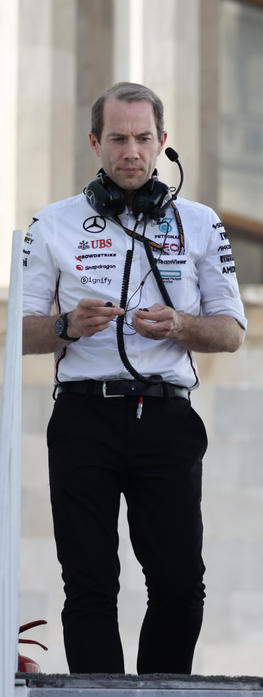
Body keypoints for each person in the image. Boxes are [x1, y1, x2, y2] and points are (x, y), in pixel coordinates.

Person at [22, 82, 246, 674]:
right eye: (117, 139)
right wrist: (67, 325)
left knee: (178, 582)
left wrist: (180, 325)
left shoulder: (199, 223)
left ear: (163, 143)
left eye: (143, 139)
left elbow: (231, 332)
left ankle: (160, 694)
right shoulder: (51, 223)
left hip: (167, 417)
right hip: (82, 417)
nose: (131, 151)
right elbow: (17, 333)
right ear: (95, 143)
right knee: (90, 581)